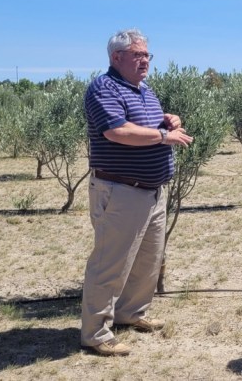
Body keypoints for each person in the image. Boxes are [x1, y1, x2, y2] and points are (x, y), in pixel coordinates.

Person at [80, 28, 194, 356]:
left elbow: (145, 122)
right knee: (109, 263)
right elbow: (117, 131)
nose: (145, 61)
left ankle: (131, 313)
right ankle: (96, 334)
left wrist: (167, 119)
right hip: (120, 190)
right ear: (116, 58)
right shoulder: (104, 87)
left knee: (147, 260)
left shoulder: (143, 89)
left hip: (151, 190)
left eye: (147, 55)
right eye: (138, 55)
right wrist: (163, 137)